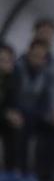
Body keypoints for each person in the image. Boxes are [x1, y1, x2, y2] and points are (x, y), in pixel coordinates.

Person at [16, 37, 54, 181]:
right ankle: (22, 173)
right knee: (21, 130)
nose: (38, 60)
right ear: (28, 54)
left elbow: (46, 98)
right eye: (35, 56)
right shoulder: (18, 70)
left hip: (36, 114)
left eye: (41, 57)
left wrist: (51, 115)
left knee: (53, 129)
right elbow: (13, 97)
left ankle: (46, 175)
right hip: (19, 113)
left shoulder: (45, 74)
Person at [0, 43, 23, 173]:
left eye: (9, 60)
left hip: (3, 116)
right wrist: (7, 114)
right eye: (2, 60)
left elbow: (14, 102)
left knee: (15, 126)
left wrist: (14, 115)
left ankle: (11, 172)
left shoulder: (13, 77)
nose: (5, 64)